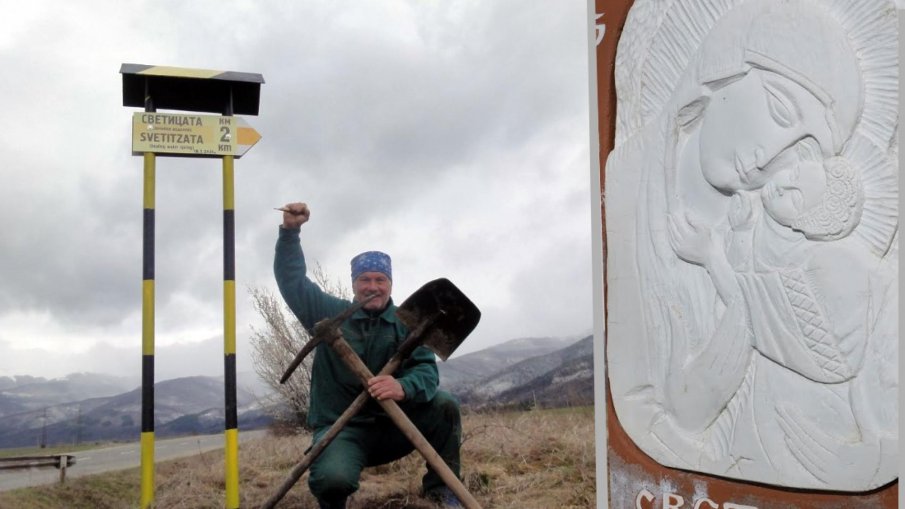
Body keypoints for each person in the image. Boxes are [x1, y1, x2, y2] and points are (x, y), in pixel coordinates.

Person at [273, 202, 463, 509]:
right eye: (365, 280)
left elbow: (427, 373)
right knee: (332, 480)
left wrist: (403, 387)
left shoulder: (408, 324)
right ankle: (334, 493)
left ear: (390, 284)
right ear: (354, 284)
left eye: (380, 280)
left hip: (395, 427)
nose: (373, 287)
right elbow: (292, 282)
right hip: (342, 431)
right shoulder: (329, 313)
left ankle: (442, 488)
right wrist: (290, 233)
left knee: (445, 406)